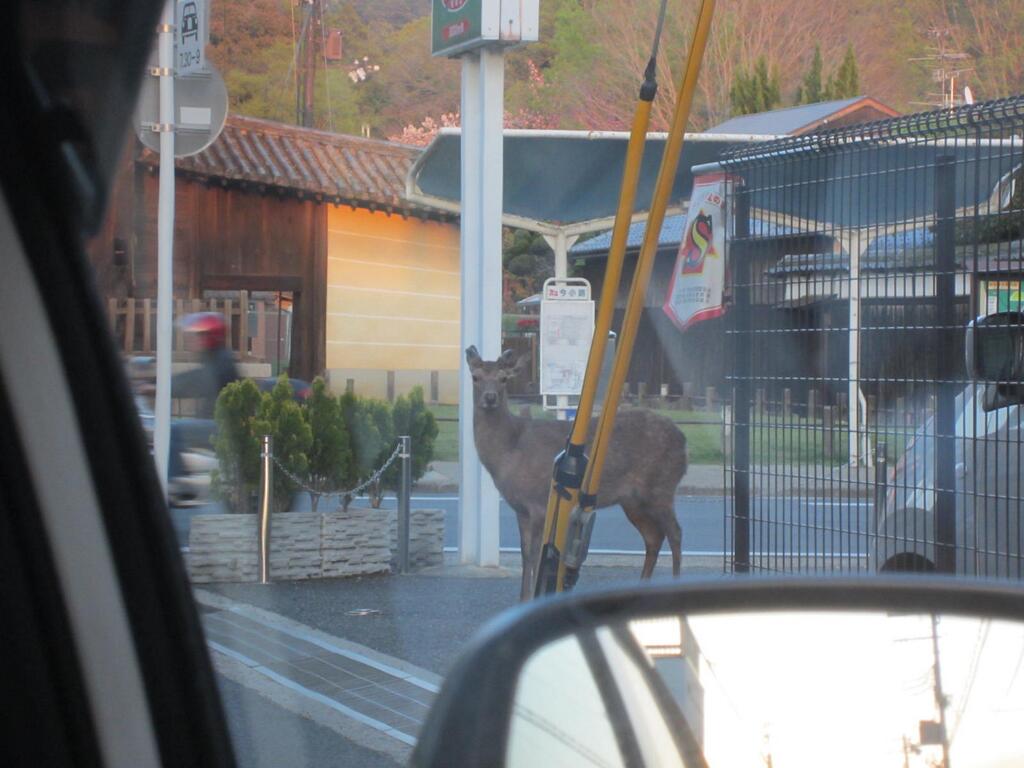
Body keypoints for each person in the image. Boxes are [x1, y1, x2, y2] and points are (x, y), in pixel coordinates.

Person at [167, 313, 239, 497]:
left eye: (199, 335)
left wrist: (162, 386)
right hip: (218, 423)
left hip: (221, 427)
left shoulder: (220, 361)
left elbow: (195, 381)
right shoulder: (216, 358)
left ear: (210, 337)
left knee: (172, 431)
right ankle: (182, 479)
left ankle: (176, 484)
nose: (194, 340)